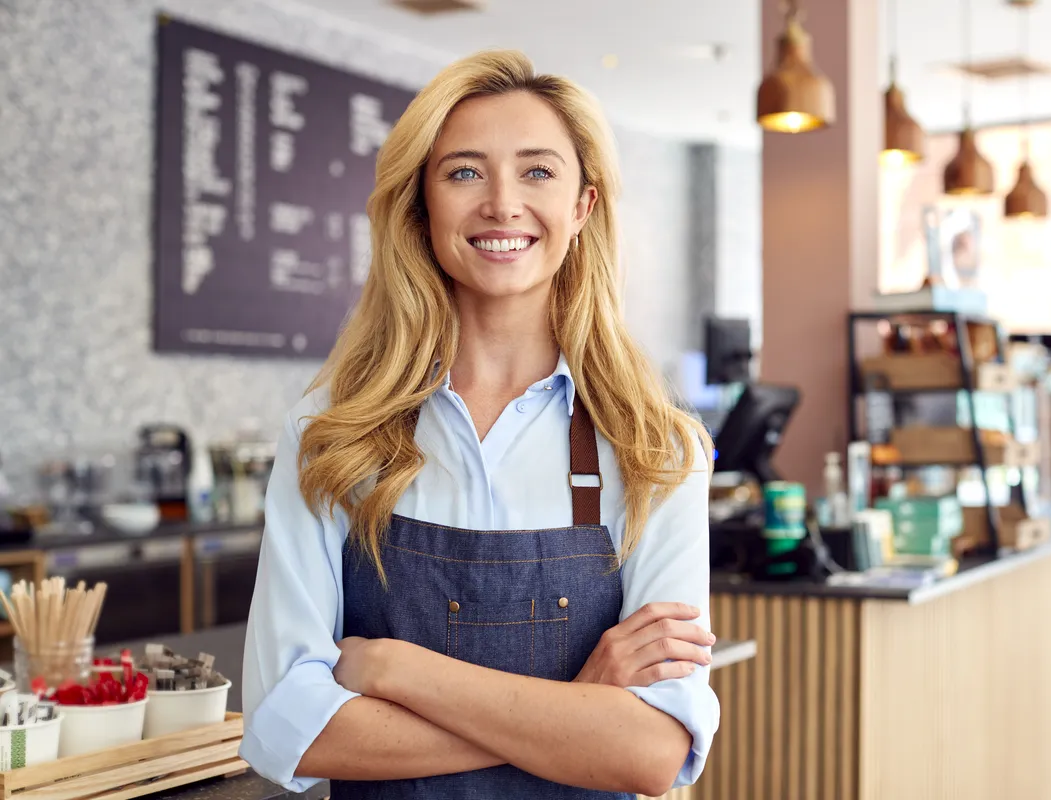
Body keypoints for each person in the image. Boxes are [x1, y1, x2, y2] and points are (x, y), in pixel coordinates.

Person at [240, 49, 719, 799]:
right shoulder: (330, 435)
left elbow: (652, 751)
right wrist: (575, 710)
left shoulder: (658, 450)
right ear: (421, 203)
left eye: (537, 171)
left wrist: (398, 671)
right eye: (464, 172)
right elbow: (284, 727)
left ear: (583, 206)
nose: (501, 204)